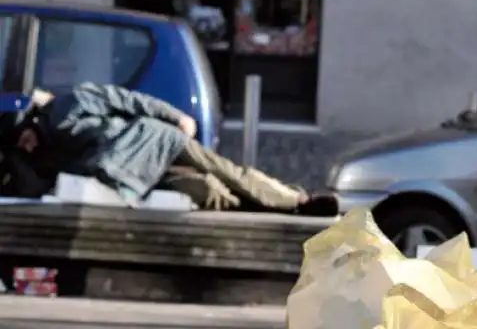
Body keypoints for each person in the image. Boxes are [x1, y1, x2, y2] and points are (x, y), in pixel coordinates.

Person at [4, 82, 308, 211]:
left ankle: (295, 201)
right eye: (21, 148)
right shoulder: (38, 156)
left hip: (150, 139)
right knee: (204, 189)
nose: (28, 148)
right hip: (129, 173)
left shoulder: (71, 102)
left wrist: (175, 117)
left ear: (29, 124)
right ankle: (259, 203)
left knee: (227, 171)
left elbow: (130, 100)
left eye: (24, 140)